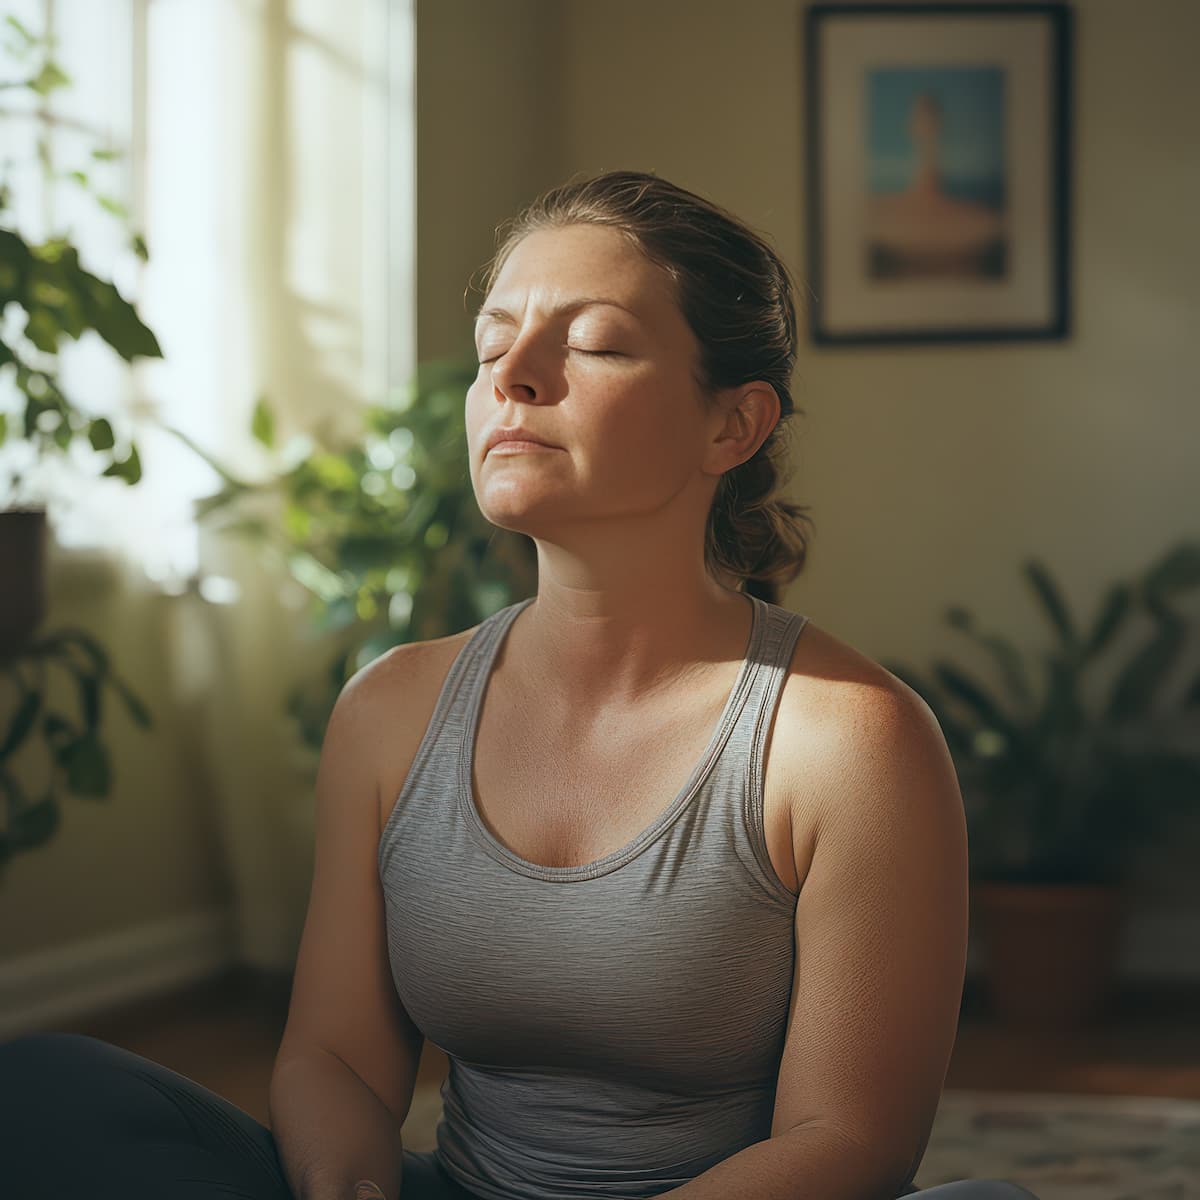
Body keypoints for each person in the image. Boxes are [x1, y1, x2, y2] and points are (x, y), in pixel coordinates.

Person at [0, 171, 1039, 1200]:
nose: (516, 376)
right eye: (495, 344)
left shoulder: (851, 738)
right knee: (45, 1092)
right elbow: (340, 1062)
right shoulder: (389, 711)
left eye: (592, 345)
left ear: (733, 425)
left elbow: (849, 1141)